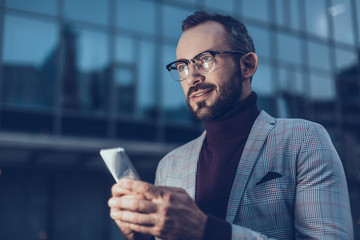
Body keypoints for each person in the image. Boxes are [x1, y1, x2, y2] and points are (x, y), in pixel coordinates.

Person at [108, 11, 353, 240]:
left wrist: (208, 230)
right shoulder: (170, 165)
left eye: (205, 60)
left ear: (247, 65)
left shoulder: (304, 138)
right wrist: (146, 233)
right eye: (183, 66)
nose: (192, 77)